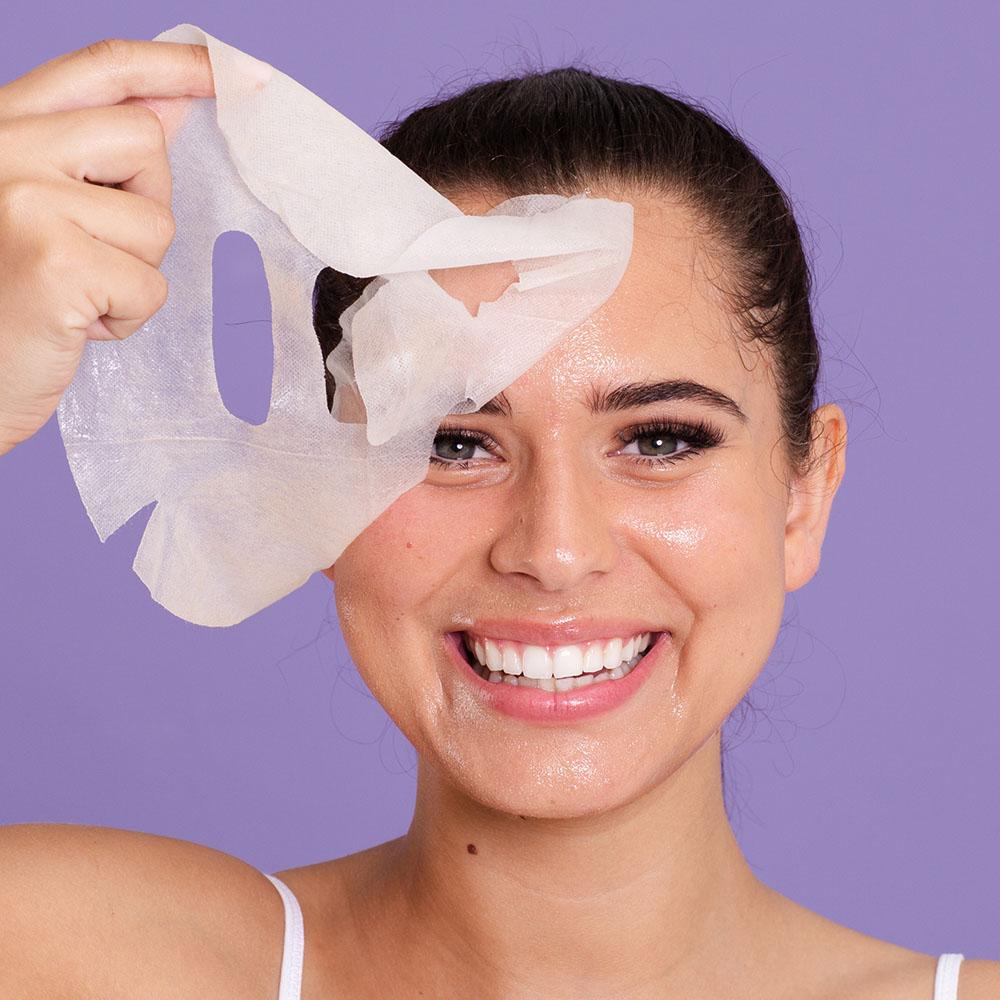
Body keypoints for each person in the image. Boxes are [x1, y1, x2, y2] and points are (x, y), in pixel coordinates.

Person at [0, 37, 995, 1000]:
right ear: (313, 488)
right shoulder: (67, 960)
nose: (554, 550)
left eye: (660, 440)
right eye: (451, 442)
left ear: (804, 494)